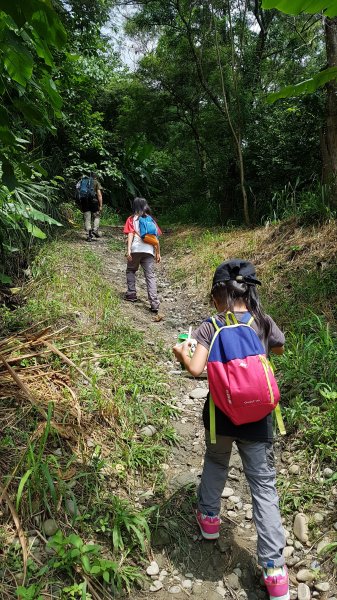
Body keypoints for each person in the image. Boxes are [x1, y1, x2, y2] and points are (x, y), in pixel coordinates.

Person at [173, 259, 289, 600]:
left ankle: (209, 520)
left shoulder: (210, 325)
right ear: (248, 292)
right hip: (258, 417)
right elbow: (279, 348)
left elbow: (196, 368)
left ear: (218, 295)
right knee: (263, 486)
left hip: (220, 414)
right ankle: (275, 572)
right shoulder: (262, 321)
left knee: (217, 462)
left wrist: (182, 350)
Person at [123, 197, 161, 313]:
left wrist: (129, 250)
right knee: (150, 276)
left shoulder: (131, 219)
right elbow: (156, 237)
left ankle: (131, 294)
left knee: (130, 270)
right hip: (149, 250)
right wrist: (158, 252)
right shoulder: (151, 220)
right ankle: (154, 304)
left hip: (136, 249)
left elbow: (130, 234)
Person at [76, 173, 103, 242]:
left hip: (84, 201)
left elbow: (78, 192)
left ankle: (89, 235)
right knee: (96, 216)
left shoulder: (82, 181)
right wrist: (100, 205)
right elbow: (99, 195)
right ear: (96, 177)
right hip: (93, 201)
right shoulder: (96, 182)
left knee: (87, 218)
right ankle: (94, 230)